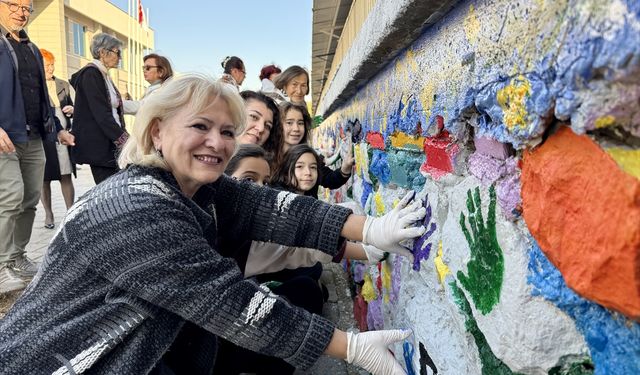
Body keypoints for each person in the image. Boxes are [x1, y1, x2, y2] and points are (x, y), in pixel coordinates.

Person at [0, 74, 425, 375]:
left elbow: (273, 207)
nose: (218, 143)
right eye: (200, 126)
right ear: (156, 131)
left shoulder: (193, 185)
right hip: (68, 360)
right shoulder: (134, 208)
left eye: (227, 130)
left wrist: (371, 229)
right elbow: (230, 303)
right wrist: (350, 347)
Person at [215, 143, 385, 374]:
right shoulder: (211, 232)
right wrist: (348, 347)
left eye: (264, 184)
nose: (257, 193)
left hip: (238, 322)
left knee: (307, 287)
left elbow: (301, 248)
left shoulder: (249, 226)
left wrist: (371, 241)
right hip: (212, 346)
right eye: (247, 181)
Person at [0, 0, 75, 293]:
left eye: (26, 7)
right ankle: (1, 265)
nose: (21, 11)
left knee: (30, 198)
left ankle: (16, 258)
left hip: (33, 136)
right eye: (13, 4)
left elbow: (42, 94)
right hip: (5, 136)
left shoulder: (31, 48)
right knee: (10, 196)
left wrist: (57, 131)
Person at [70, 33, 128, 184]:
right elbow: (101, 114)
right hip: (100, 146)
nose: (120, 57)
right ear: (103, 52)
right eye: (117, 52)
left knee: (117, 190)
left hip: (109, 143)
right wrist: (123, 139)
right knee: (110, 193)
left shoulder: (103, 74)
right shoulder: (91, 74)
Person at [265, 101, 354, 197]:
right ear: (278, 126)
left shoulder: (308, 156)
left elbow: (331, 180)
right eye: (289, 123)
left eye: (300, 123)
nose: (296, 128)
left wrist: (345, 167)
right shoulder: (266, 160)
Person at [39, 48, 75, 230]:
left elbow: (76, 105)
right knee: (44, 178)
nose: (50, 68)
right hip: (43, 137)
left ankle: (71, 213)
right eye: (47, 65)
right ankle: (48, 214)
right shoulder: (35, 85)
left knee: (65, 174)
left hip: (62, 136)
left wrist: (72, 109)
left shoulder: (63, 84)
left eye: (52, 65)